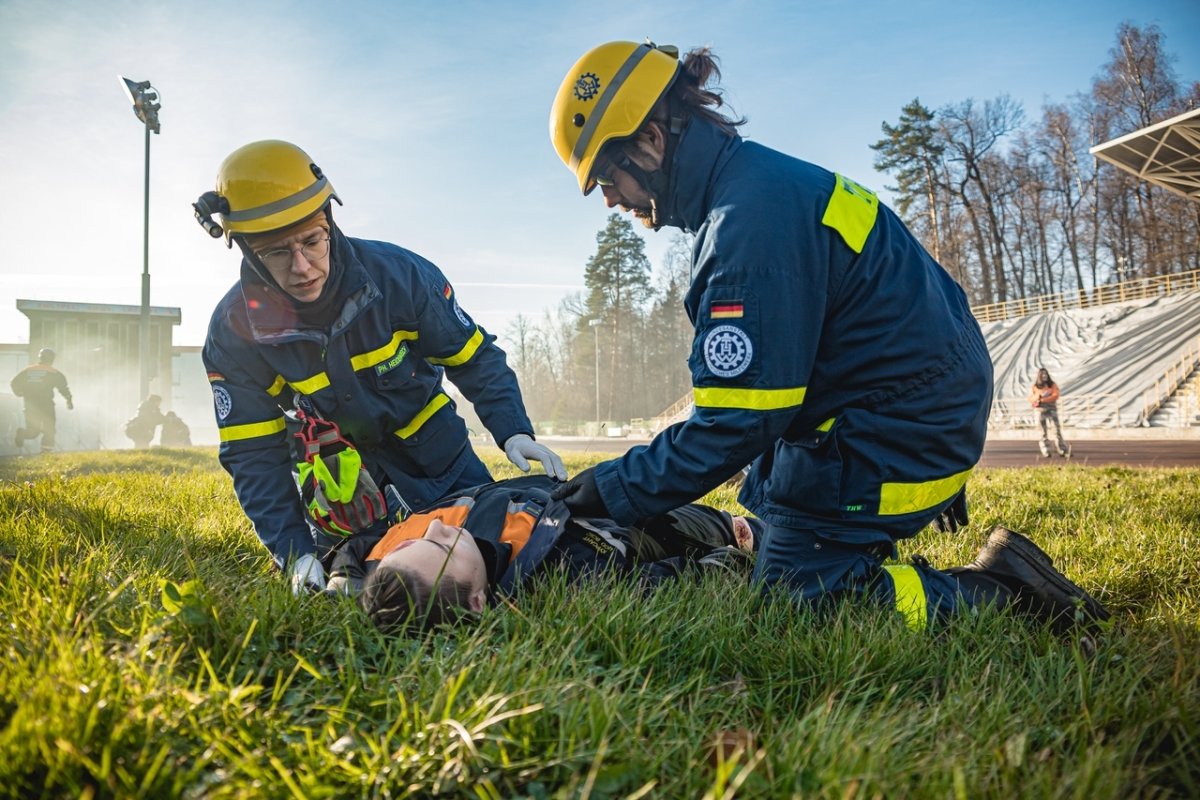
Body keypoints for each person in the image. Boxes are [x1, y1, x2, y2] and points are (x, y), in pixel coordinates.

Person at [546, 41, 1108, 630]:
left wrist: (608, 490)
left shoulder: (747, 230)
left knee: (799, 600)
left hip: (905, 422)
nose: (609, 200)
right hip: (912, 404)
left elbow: (736, 421)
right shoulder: (760, 186)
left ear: (652, 142)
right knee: (780, 536)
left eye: (608, 177)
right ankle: (856, 544)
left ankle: (1010, 593)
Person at [193, 140, 565, 595]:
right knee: (358, 581)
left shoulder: (401, 276)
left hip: (441, 462)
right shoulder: (234, 332)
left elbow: (475, 359)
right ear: (247, 250)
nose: (302, 266)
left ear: (329, 220)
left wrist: (513, 431)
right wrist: (294, 552)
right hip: (343, 492)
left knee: (506, 550)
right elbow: (253, 455)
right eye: (276, 253)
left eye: (312, 241)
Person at [325, 475, 761, 631]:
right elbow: (683, 576)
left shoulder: (410, 564)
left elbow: (362, 549)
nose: (439, 527)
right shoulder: (571, 580)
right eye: (443, 547)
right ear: (478, 602)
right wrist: (726, 557)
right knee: (762, 536)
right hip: (643, 521)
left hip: (559, 487)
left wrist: (342, 580)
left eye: (417, 541)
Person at [11, 347, 73, 453]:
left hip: (30, 405)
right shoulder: (53, 372)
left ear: (40, 357)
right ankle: (46, 452)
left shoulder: (28, 370)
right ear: (52, 359)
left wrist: (19, 393)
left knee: (33, 431)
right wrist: (69, 400)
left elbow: (14, 383)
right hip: (46, 405)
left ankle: (22, 433)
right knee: (49, 429)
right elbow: (63, 388)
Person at [1029, 368, 1070, 458]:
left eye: (1046, 374)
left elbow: (1055, 395)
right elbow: (1031, 398)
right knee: (1042, 432)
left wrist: (1043, 399)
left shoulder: (1052, 385)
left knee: (1057, 430)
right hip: (1040, 410)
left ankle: (1062, 449)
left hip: (1051, 409)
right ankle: (1046, 450)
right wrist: (1038, 396)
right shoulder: (1035, 387)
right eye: (1042, 374)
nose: (1044, 376)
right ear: (1039, 376)